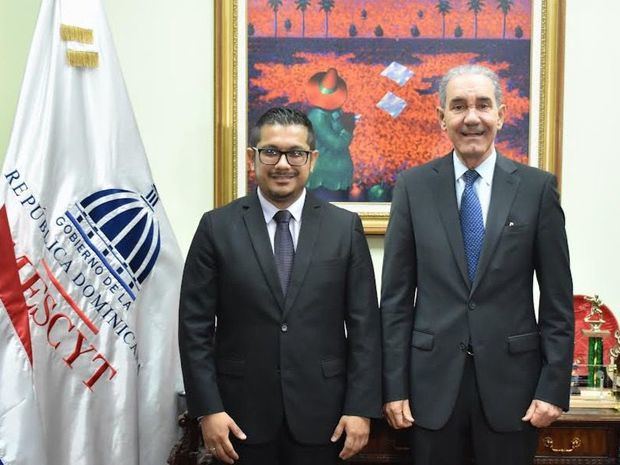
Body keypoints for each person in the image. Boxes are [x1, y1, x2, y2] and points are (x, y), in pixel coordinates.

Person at [380, 64, 574, 465]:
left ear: (501, 114)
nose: (472, 117)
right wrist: (393, 386)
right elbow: (396, 300)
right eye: (459, 106)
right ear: (441, 118)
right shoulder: (413, 187)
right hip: (429, 390)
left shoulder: (537, 189)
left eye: (483, 105)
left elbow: (557, 300)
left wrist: (553, 386)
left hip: (514, 391)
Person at [179, 107, 381, 465]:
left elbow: (365, 326)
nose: (283, 164)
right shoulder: (217, 227)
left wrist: (360, 408)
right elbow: (194, 328)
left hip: (326, 417)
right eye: (271, 151)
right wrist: (208, 409)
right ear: (251, 157)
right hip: (238, 419)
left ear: (313, 159)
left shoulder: (344, 228)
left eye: (296, 153)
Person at [305, 68, 355, 201]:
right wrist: (348, 130)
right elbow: (336, 144)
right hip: (325, 177)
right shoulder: (317, 117)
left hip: (340, 176)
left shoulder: (335, 112)